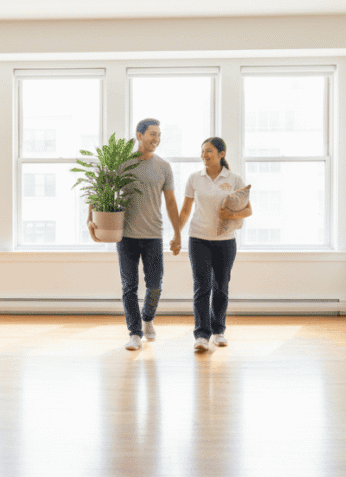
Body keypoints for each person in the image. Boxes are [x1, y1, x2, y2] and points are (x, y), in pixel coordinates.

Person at [87, 119, 182, 351]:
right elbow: (99, 189)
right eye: (152, 134)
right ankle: (135, 333)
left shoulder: (164, 167)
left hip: (153, 235)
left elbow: (171, 202)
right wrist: (90, 220)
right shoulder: (123, 163)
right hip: (126, 235)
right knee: (129, 286)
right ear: (139, 135)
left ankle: (147, 318)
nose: (156, 139)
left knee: (155, 285)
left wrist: (178, 233)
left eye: (159, 135)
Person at [177, 137, 248, 352]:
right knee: (202, 287)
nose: (204, 155)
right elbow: (186, 209)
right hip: (198, 238)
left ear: (221, 154)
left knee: (221, 287)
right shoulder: (194, 178)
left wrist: (230, 214)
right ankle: (201, 335)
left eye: (208, 151)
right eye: (202, 151)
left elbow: (246, 209)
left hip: (225, 241)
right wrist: (176, 234)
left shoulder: (234, 179)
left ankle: (218, 331)